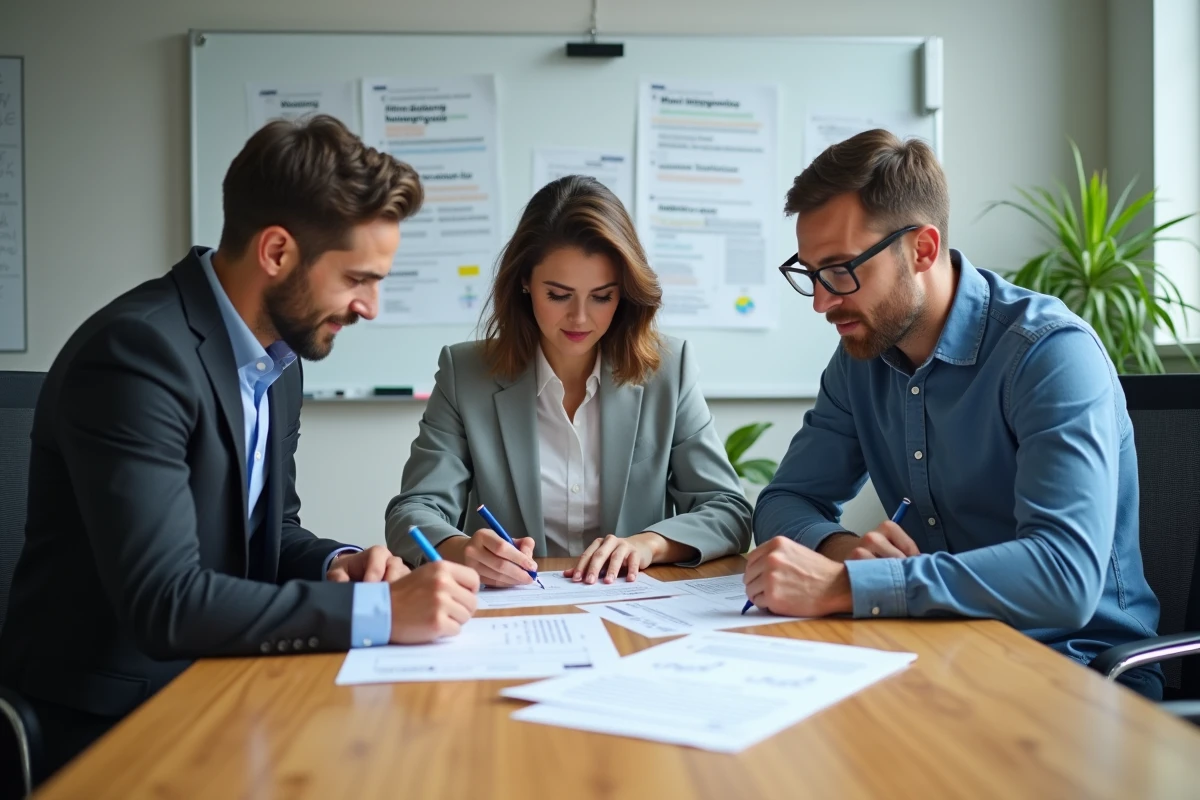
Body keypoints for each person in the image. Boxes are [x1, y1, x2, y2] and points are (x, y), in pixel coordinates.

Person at [0, 115, 480, 777]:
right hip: (111, 723)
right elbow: (166, 603)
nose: (370, 306)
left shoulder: (277, 359)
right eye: (357, 279)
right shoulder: (136, 356)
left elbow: (269, 535)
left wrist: (341, 564)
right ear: (277, 252)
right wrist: (377, 611)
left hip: (223, 684)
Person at [747, 129, 1162, 699]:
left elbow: (1064, 575)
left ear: (921, 249)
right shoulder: (860, 359)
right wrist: (844, 556)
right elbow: (785, 500)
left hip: (1077, 671)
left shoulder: (1049, 354)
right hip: (942, 651)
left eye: (841, 270)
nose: (822, 301)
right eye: (812, 273)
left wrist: (853, 585)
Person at [386, 175, 751, 585]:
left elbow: (728, 511)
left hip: (631, 602)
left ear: (624, 292)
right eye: (558, 295)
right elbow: (412, 512)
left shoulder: (668, 369)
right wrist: (461, 550)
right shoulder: (467, 373)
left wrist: (649, 544)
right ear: (524, 281)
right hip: (513, 604)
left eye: (602, 296)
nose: (580, 318)